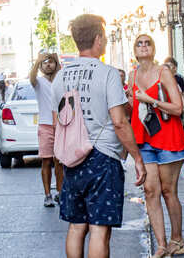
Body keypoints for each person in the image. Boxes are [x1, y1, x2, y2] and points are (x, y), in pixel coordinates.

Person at [51, 14, 146, 258]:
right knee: (99, 229)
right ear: (97, 39)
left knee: (76, 226)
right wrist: (136, 157)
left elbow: (57, 123)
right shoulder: (108, 73)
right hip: (103, 157)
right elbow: (119, 121)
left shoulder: (61, 76)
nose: (104, 41)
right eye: (102, 37)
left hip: (73, 158)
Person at [128, 35, 184, 258]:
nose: (143, 46)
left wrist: (149, 100)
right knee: (150, 191)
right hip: (144, 141)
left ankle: (177, 239)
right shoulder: (133, 75)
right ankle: (161, 245)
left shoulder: (163, 72)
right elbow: (130, 110)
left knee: (168, 191)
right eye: (139, 43)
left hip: (168, 139)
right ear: (134, 50)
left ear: (154, 48)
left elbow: (177, 108)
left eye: (147, 43)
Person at [29, 51, 63, 207]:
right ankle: (47, 194)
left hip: (61, 125)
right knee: (46, 160)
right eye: (45, 62)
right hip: (45, 125)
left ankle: (61, 193)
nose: (48, 64)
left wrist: (57, 60)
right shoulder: (39, 82)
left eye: (51, 62)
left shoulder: (60, 80)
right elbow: (31, 76)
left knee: (60, 161)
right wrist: (38, 60)